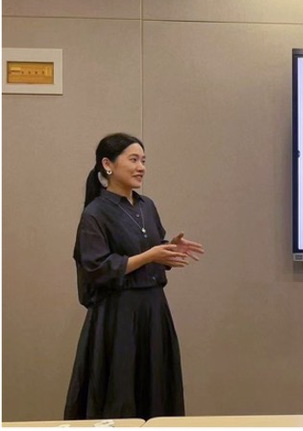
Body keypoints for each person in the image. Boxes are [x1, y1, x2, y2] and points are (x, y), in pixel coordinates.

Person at [64, 133, 204, 420]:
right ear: (108, 165)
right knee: (120, 393)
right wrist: (150, 255)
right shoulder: (95, 213)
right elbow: (97, 268)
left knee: (156, 393)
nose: (141, 167)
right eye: (133, 160)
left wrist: (167, 249)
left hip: (154, 311)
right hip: (119, 316)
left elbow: (147, 250)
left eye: (144, 161)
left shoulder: (146, 206)